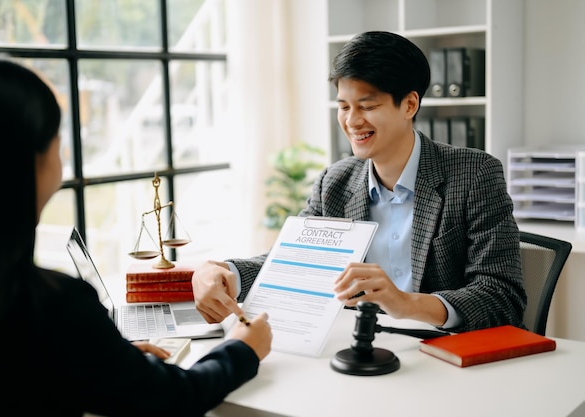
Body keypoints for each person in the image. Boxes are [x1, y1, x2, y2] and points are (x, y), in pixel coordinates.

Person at [0, 51, 272, 417]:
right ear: (27, 162)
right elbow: (176, 398)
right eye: (57, 143)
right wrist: (243, 349)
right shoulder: (50, 307)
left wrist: (103, 361)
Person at [192, 31, 526, 333]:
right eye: (344, 106)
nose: (352, 121)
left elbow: (501, 296)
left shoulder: (474, 174)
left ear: (409, 104)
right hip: (358, 344)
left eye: (367, 106)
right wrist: (227, 274)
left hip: (444, 353)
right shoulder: (334, 182)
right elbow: (292, 261)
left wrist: (406, 303)